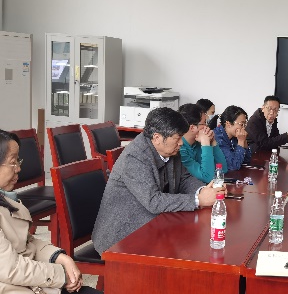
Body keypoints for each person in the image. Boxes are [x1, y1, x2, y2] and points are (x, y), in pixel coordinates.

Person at [0, 130, 103, 294]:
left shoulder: (5, 198)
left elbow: (27, 242)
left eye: (18, 160)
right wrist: (61, 276)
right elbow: (12, 268)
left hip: (23, 288)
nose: (18, 168)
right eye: (13, 162)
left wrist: (60, 257)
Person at [92, 107, 225, 254]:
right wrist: (198, 200)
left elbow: (184, 178)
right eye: (177, 138)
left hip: (153, 225)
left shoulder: (170, 149)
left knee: (194, 243)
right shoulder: (135, 157)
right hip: (122, 236)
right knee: (188, 249)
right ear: (157, 138)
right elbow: (153, 201)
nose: (181, 143)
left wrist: (203, 191)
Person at [179, 103, 228, 183]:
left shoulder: (197, 143)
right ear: (192, 128)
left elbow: (222, 170)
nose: (207, 127)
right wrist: (205, 144)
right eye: (204, 123)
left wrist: (213, 142)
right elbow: (208, 178)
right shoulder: (180, 149)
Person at [214, 105, 253, 171]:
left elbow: (247, 160)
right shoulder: (218, 138)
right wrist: (241, 141)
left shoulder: (234, 136)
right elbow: (233, 166)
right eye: (241, 124)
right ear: (228, 124)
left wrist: (244, 141)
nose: (244, 128)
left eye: (245, 124)